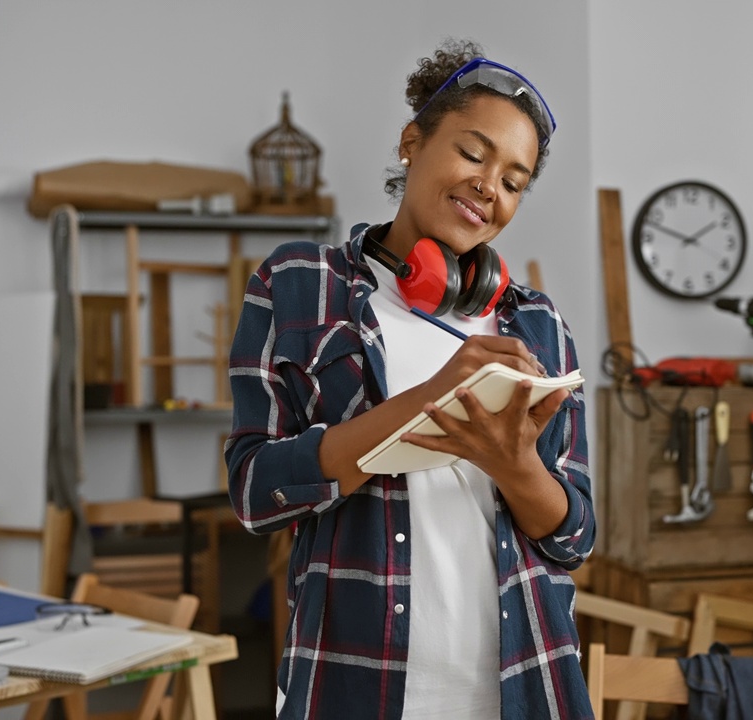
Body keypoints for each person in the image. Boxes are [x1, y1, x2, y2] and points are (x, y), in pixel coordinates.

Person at [226, 38, 595, 720]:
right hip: (351, 683)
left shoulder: (538, 323)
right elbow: (255, 494)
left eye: (514, 181)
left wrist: (514, 467)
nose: (490, 185)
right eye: (473, 153)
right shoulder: (299, 282)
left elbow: (575, 537)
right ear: (412, 141)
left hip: (524, 686)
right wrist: (424, 402)